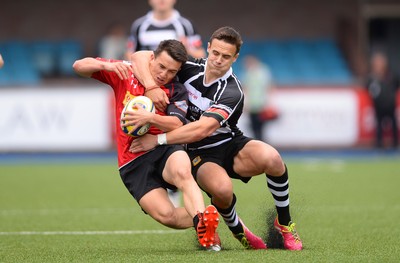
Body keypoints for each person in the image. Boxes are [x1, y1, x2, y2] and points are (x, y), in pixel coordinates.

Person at [125, 26, 303, 250]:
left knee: (272, 158)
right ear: (208, 48)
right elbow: (139, 56)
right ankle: (237, 228)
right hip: (199, 153)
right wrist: (151, 87)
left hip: (229, 142)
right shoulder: (189, 68)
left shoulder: (232, 91)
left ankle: (284, 223)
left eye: (226, 56)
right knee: (222, 190)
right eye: (215, 53)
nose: (218, 60)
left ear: (235, 58)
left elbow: (202, 129)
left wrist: (159, 140)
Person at [72, 39, 219, 250]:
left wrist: (149, 118)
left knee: (182, 172)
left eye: (171, 71)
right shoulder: (126, 74)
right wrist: (107, 65)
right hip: (131, 161)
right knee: (167, 216)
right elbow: (78, 66)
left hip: (163, 148)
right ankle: (211, 218)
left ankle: (202, 226)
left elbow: (176, 123)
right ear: (152, 58)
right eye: (161, 66)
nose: (164, 74)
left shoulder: (175, 89)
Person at [126, 0, 206, 206]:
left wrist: (185, 47)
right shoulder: (140, 25)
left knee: (174, 128)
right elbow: (132, 57)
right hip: (146, 89)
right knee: (144, 132)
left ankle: (175, 180)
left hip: (175, 91)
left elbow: (200, 56)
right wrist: (150, 85)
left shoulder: (184, 25)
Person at [125, 0, 205, 60]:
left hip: (178, 79)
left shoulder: (186, 25)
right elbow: (129, 54)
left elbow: (201, 55)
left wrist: (186, 49)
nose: (162, 0)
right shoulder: (139, 25)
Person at [366, 51, 399, 149]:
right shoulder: (372, 78)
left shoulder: (391, 76)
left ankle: (395, 143)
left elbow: (396, 85)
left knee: (393, 123)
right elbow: (369, 87)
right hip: (379, 106)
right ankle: (379, 143)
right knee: (379, 124)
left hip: (390, 105)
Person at [241, 54, 277, 141]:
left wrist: (270, 102)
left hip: (261, 105)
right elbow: (245, 89)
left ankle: (261, 146)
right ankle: (260, 145)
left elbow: (269, 86)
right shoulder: (248, 73)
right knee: (255, 128)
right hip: (253, 105)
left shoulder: (262, 72)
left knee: (259, 128)